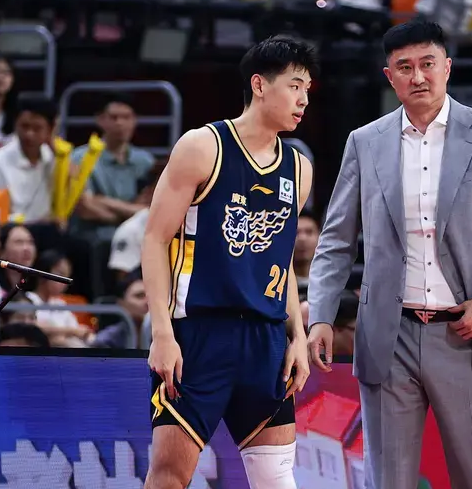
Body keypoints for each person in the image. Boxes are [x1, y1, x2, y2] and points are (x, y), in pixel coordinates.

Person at [307, 20, 472, 489]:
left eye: (427, 64)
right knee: (388, 481)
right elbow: (335, 240)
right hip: (388, 336)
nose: (418, 76)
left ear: (447, 67)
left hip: (467, 332)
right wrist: (321, 315)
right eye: (405, 67)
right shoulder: (364, 141)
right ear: (390, 76)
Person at [142, 35, 317, 489]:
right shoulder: (203, 146)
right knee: (169, 477)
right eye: (294, 86)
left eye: (307, 89)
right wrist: (161, 333)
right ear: (259, 85)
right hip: (200, 334)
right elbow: (155, 239)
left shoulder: (299, 168)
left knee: (277, 479)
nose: (303, 99)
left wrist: (297, 336)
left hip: (266, 340)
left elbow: (282, 261)